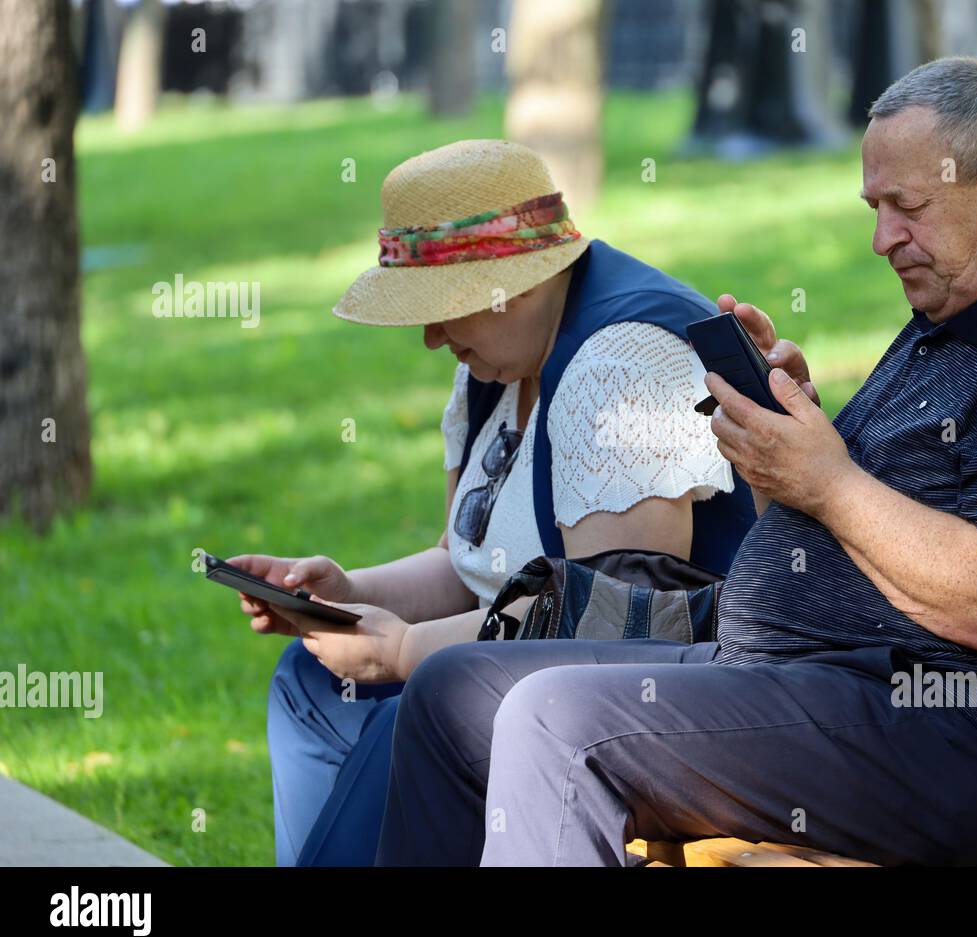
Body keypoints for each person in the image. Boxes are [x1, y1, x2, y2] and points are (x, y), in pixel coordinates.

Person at [373, 58, 977, 867]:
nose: (882, 240)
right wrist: (781, 446)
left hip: (938, 736)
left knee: (555, 722)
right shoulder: (961, 308)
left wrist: (828, 479)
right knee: (455, 689)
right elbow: (859, 530)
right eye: (875, 209)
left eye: (908, 208)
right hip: (802, 685)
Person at [235, 140, 757, 865]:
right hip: (528, 669)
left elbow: (618, 626)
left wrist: (406, 650)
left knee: (426, 708)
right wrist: (349, 593)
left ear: (513, 284)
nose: (429, 337)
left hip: (681, 707)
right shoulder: (501, 360)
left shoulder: (619, 368)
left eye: (440, 309)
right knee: (307, 678)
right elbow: (471, 565)